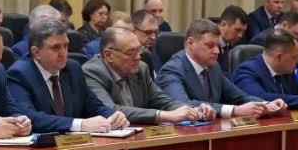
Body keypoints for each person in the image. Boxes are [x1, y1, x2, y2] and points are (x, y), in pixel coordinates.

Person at [6, 19, 128, 132]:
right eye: (56, 48)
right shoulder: (19, 74)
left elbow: (93, 105)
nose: (63, 53)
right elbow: (29, 118)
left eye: (65, 46)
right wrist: (79, 124)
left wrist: (113, 115)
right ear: (36, 52)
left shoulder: (73, 68)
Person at [155, 19, 284, 119]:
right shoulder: (172, 70)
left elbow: (239, 96)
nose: (217, 51)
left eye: (217, 46)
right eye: (210, 46)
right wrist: (234, 111)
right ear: (190, 43)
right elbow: (182, 104)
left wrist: (266, 104)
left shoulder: (213, 67)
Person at [82, 27, 212, 125]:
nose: (138, 57)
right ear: (108, 55)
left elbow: (162, 100)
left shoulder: (141, 68)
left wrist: (193, 110)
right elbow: (111, 110)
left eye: (139, 50)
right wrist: (165, 116)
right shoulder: (91, 72)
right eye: (131, 52)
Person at [230, 30, 298, 110]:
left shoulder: (286, 71)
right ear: (278, 57)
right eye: (294, 57)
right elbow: (260, 98)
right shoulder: (246, 71)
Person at [216, 6, 250, 70]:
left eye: (243, 32)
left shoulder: (238, 44)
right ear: (223, 24)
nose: (240, 35)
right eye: (237, 30)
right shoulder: (208, 45)